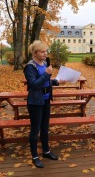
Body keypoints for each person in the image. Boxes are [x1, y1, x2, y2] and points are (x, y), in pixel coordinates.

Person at [24, 40, 59, 168]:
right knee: (35, 130)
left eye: (46, 51)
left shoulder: (44, 63)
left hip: (45, 99)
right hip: (35, 102)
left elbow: (46, 80)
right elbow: (34, 84)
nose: (45, 53)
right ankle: (34, 156)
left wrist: (58, 81)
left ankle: (46, 151)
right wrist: (46, 74)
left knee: (45, 127)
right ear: (34, 53)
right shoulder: (30, 67)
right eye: (42, 51)